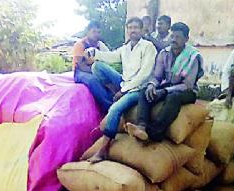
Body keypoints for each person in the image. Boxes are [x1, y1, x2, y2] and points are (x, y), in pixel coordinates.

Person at [85, 17, 157, 162]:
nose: (133, 30)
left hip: (137, 89)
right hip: (124, 83)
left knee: (115, 109)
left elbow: (144, 75)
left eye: (136, 27)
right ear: (127, 30)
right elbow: (111, 57)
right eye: (130, 28)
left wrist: (124, 91)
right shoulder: (126, 48)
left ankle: (103, 149)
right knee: (97, 66)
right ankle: (114, 92)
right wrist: (95, 52)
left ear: (142, 30)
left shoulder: (148, 47)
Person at [126, 22, 204, 142]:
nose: (174, 40)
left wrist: (165, 91)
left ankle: (154, 133)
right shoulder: (164, 53)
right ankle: (141, 126)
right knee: (144, 91)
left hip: (186, 91)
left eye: (178, 37)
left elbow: (187, 85)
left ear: (186, 39)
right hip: (167, 86)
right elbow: (157, 76)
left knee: (173, 98)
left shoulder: (193, 56)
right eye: (172, 36)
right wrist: (152, 85)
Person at [72, 21, 112, 112]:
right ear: (88, 32)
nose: (96, 34)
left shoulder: (100, 45)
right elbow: (81, 65)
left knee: (109, 80)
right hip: (81, 72)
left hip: (96, 69)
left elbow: (110, 58)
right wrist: (96, 72)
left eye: (98, 32)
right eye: (94, 32)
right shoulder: (80, 44)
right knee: (93, 80)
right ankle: (108, 108)